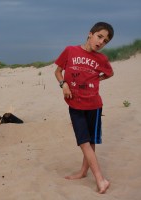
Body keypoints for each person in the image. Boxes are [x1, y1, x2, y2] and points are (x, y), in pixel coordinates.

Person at [54, 22, 114, 194]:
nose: (101, 42)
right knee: (83, 141)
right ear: (90, 34)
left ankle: (84, 172)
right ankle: (100, 179)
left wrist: (96, 80)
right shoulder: (70, 51)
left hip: (94, 105)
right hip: (75, 104)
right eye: (100, 36)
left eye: (106, 41)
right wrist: (63, 84)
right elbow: (58, 71)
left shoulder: (101, 59)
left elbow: (110, 74)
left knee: (90, 141)